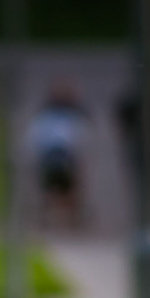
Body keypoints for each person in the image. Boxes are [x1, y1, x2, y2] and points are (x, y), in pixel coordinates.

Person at [30, 84, 91, 229]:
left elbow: (81, 139)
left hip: (66, 156)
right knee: (51, 189)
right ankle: (48, 222)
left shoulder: (74, 116)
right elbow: (36, 138)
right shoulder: (46, 116)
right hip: (52, 156)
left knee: (67, 190)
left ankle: (71, 222)